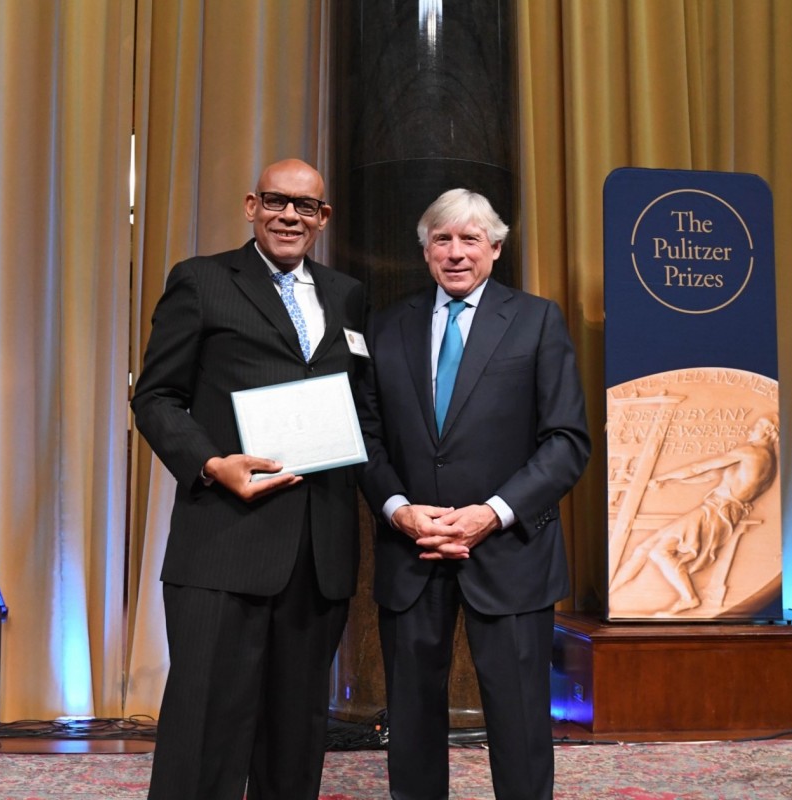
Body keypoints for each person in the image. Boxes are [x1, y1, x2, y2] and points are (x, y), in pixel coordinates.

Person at [131, 158, 367, 800]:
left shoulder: (347, 295)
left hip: (318, 552)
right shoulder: (202, 281)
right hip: (224, 544)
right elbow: (155, 397)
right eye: (275, 201)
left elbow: (360, 414)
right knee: (204, 729)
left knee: (295, 741)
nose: (289, 215)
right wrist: (211, 463)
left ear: (324, 218)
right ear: (250, 205)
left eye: (305, 206)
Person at [357, 188, 590, 800]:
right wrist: (399, 510)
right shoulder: (386, 326)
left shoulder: (538, 320)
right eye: (442, 239)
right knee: (409, 721)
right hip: (414, 552)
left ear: (496, 247)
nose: (456, 253)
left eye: (469, 239)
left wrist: (492, 513)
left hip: (510, 552)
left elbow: (567, 441)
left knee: (518, 724)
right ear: (425, 250)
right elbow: (367, 440)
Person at [611, 413, 780, 613]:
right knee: (643, 548)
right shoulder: (770, 463)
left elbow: (697, 467)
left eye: (757, 426)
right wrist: (666, 480)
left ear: (768, 431)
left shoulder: (750, 451)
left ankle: (689, 598)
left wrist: (664, 476)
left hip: (716, 511)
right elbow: (708, 476)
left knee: (660, 551)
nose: (751, 429)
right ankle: (611, 592)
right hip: (722, 511)